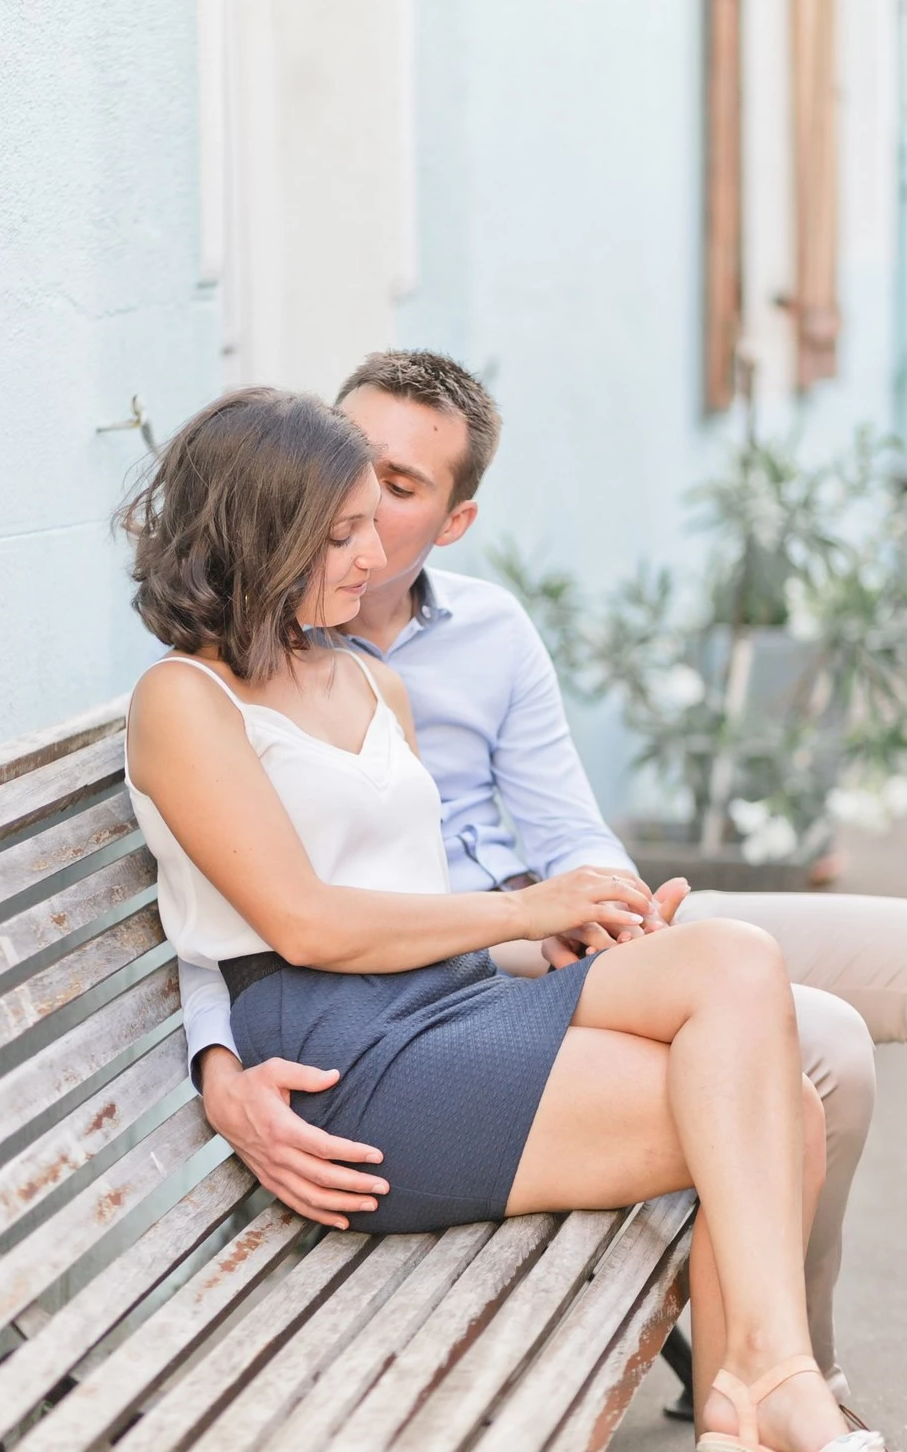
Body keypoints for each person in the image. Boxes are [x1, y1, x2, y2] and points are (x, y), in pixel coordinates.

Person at [121, 385, 884, 1451]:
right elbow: (304, 926)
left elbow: (413, 892)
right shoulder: (183, 701)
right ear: (258, 534)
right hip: (345, 1064)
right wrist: (523, 908)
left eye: (372, 523)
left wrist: (569, 924)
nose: (369, 553)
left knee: (737, 968)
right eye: (339, 534)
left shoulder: (366, 683)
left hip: (453, 1004)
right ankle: (767, 1394)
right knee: (777, 1117)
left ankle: (756, 1388)